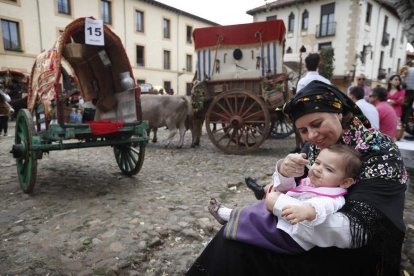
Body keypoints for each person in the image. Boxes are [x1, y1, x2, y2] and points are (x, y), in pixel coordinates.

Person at [187, 80, 407, 276]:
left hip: (352, 252)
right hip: (304, 232)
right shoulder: (314, 147)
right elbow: (296, 189)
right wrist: (283, 171)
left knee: (239, 246)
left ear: (338, 112)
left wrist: (279, 205)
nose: (311, 136)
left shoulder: (379, 151)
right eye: (303, 130)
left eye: (317, 123)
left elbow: (355, 231)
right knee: (233, 235)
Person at [208, 144, 362, 254]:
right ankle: (232, 216)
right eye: (317, 162)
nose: (317, 168)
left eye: (328, 169)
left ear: (345, 182)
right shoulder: (314, 183)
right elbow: (291, 190)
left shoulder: (334, 197)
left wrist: (307, 210)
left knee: (258, 216)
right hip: (286, 223)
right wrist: (287, 175)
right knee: (260, 209)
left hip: (292, 237)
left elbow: (322, 206)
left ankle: (229, 216)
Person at [386, 74, 405, 140]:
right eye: (396, 79)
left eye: (399, 80)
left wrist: (392, 101)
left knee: (397, 127)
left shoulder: (401, 91)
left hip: (396, 111)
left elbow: (401, 101)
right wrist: (393, 101)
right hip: (387, 111)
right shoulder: (386, 91)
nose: (398, 81)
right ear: (390, 81)